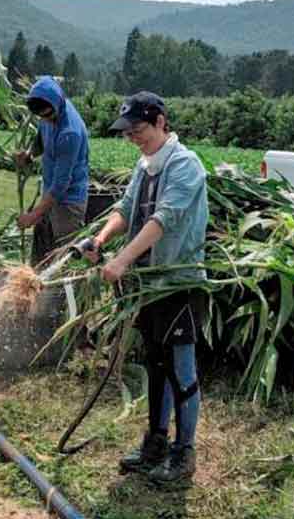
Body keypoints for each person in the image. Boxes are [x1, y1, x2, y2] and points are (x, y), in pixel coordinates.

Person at [82, 91, 208, 484]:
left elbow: (164, 219)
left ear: (159, 122)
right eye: (127, 133)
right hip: (148, 286)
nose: (132, 138)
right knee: (155, 365)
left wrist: (122, 260)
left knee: (180, 369)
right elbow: (125, 208)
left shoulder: (185, 165)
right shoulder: (147, 165)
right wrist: (101, 241)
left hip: (178, 283)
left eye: (137, 130)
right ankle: (155, 440)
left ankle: (183, 451)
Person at [14, 76, 90, 266]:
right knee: (42, 252)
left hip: (68, 202)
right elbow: (41, 138)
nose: (47, 120)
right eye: (42, 117)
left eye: (49, 116)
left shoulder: (69, 133)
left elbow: (60, 185)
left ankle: (65, 295)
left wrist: (33, 215)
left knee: (65, 259)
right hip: (50, 194)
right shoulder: (47, 110)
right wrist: (30, 154)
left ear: (58, 103)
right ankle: (33, 289)